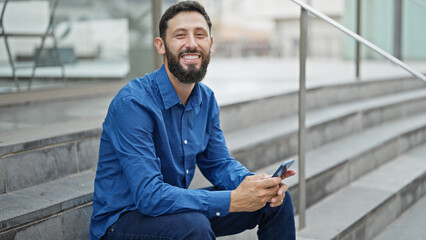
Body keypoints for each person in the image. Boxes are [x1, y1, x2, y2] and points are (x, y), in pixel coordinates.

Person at [90, 1, 296, 239]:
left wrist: (254, 184)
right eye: (180, 35)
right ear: (161, 45)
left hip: (174, 213)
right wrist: (232, 200)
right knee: (193, 225)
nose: (191, 43)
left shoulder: (206, 99)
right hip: (122, 222)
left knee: (273, 201)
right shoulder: (133, 103)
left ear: (210, 44)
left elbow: (218, 164)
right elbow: (149, 196)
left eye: (200, 35)